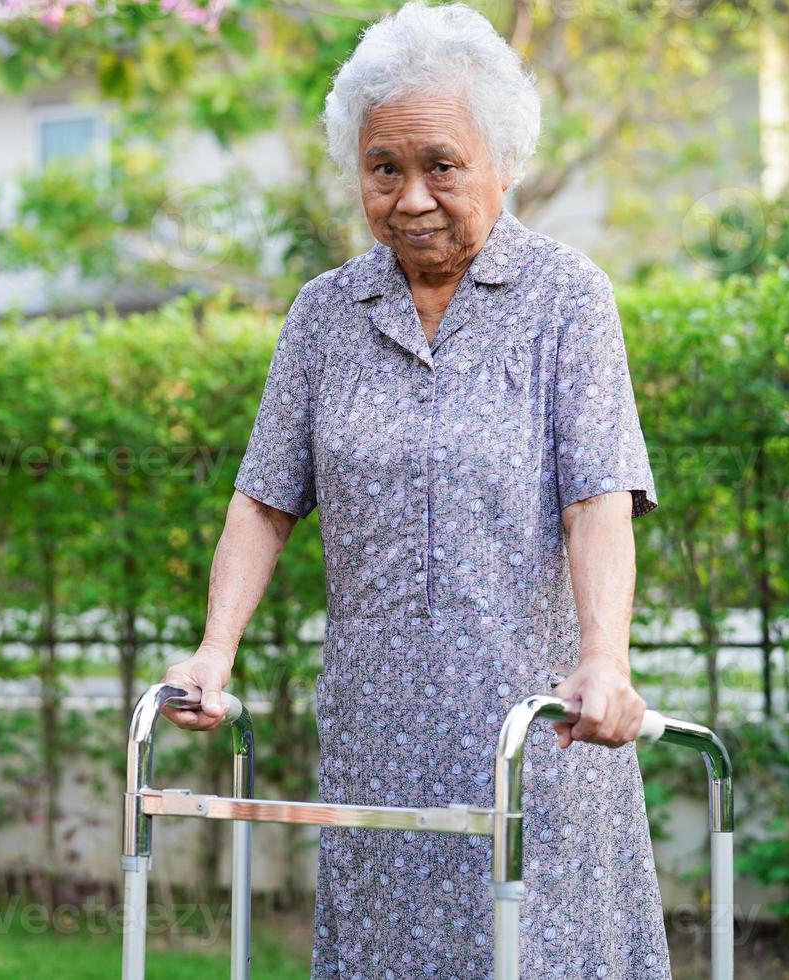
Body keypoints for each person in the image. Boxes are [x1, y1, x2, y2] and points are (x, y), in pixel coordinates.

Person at [160, 3, 670, 976]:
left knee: (540, 950)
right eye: (383, 166)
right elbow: (263, 499)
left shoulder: (567, 298)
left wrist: (605, 659)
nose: (410, 196)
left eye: (442, 163)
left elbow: (597, 496)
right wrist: (213, 650)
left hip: (537, 727)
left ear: (504, 162)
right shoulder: (324, 314)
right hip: (377, 732)